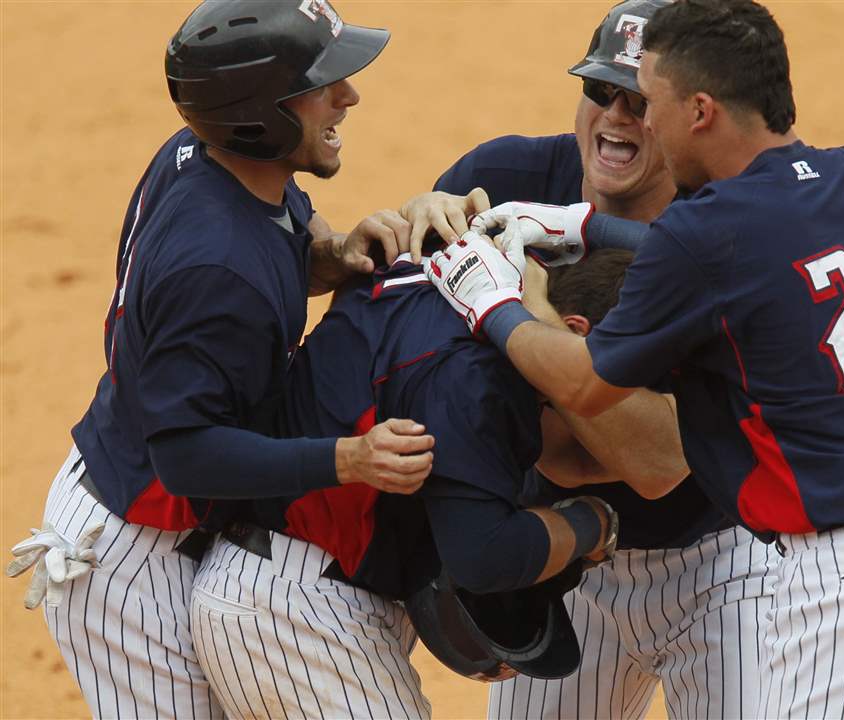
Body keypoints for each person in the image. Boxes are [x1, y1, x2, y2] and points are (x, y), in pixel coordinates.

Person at [425, 0, 844, 717]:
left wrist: (494, 301)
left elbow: (586, 387)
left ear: (699, 110)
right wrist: (583, 222)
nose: (636, 122)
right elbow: (751, 257)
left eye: (650, 102)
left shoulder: (705, 235)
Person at [4, 3, 434, 718]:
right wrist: (348, 459)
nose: (347, 97)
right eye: (322, 84)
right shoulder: (215, 267)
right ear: (259, 114)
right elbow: (187, 456)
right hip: (127, 560)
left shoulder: (209, 158)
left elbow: (279, 236)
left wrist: (328, 252)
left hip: (158, 518)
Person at [416, 2, 776, 718]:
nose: (615, 117)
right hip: (563, 559)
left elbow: (658, 464)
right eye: (599, 91)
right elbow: (408, 354)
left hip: (723, 563)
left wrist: (525, 308)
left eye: (640, 101)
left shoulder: (727, 228)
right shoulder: (500, 175)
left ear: (685, 115)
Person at [187, 250, 635, 720]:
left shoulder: (435, 272)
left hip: (280, 592)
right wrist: (593, 522)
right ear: (576, 331)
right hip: (297, 613)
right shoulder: (474, 376)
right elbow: (484, 556)